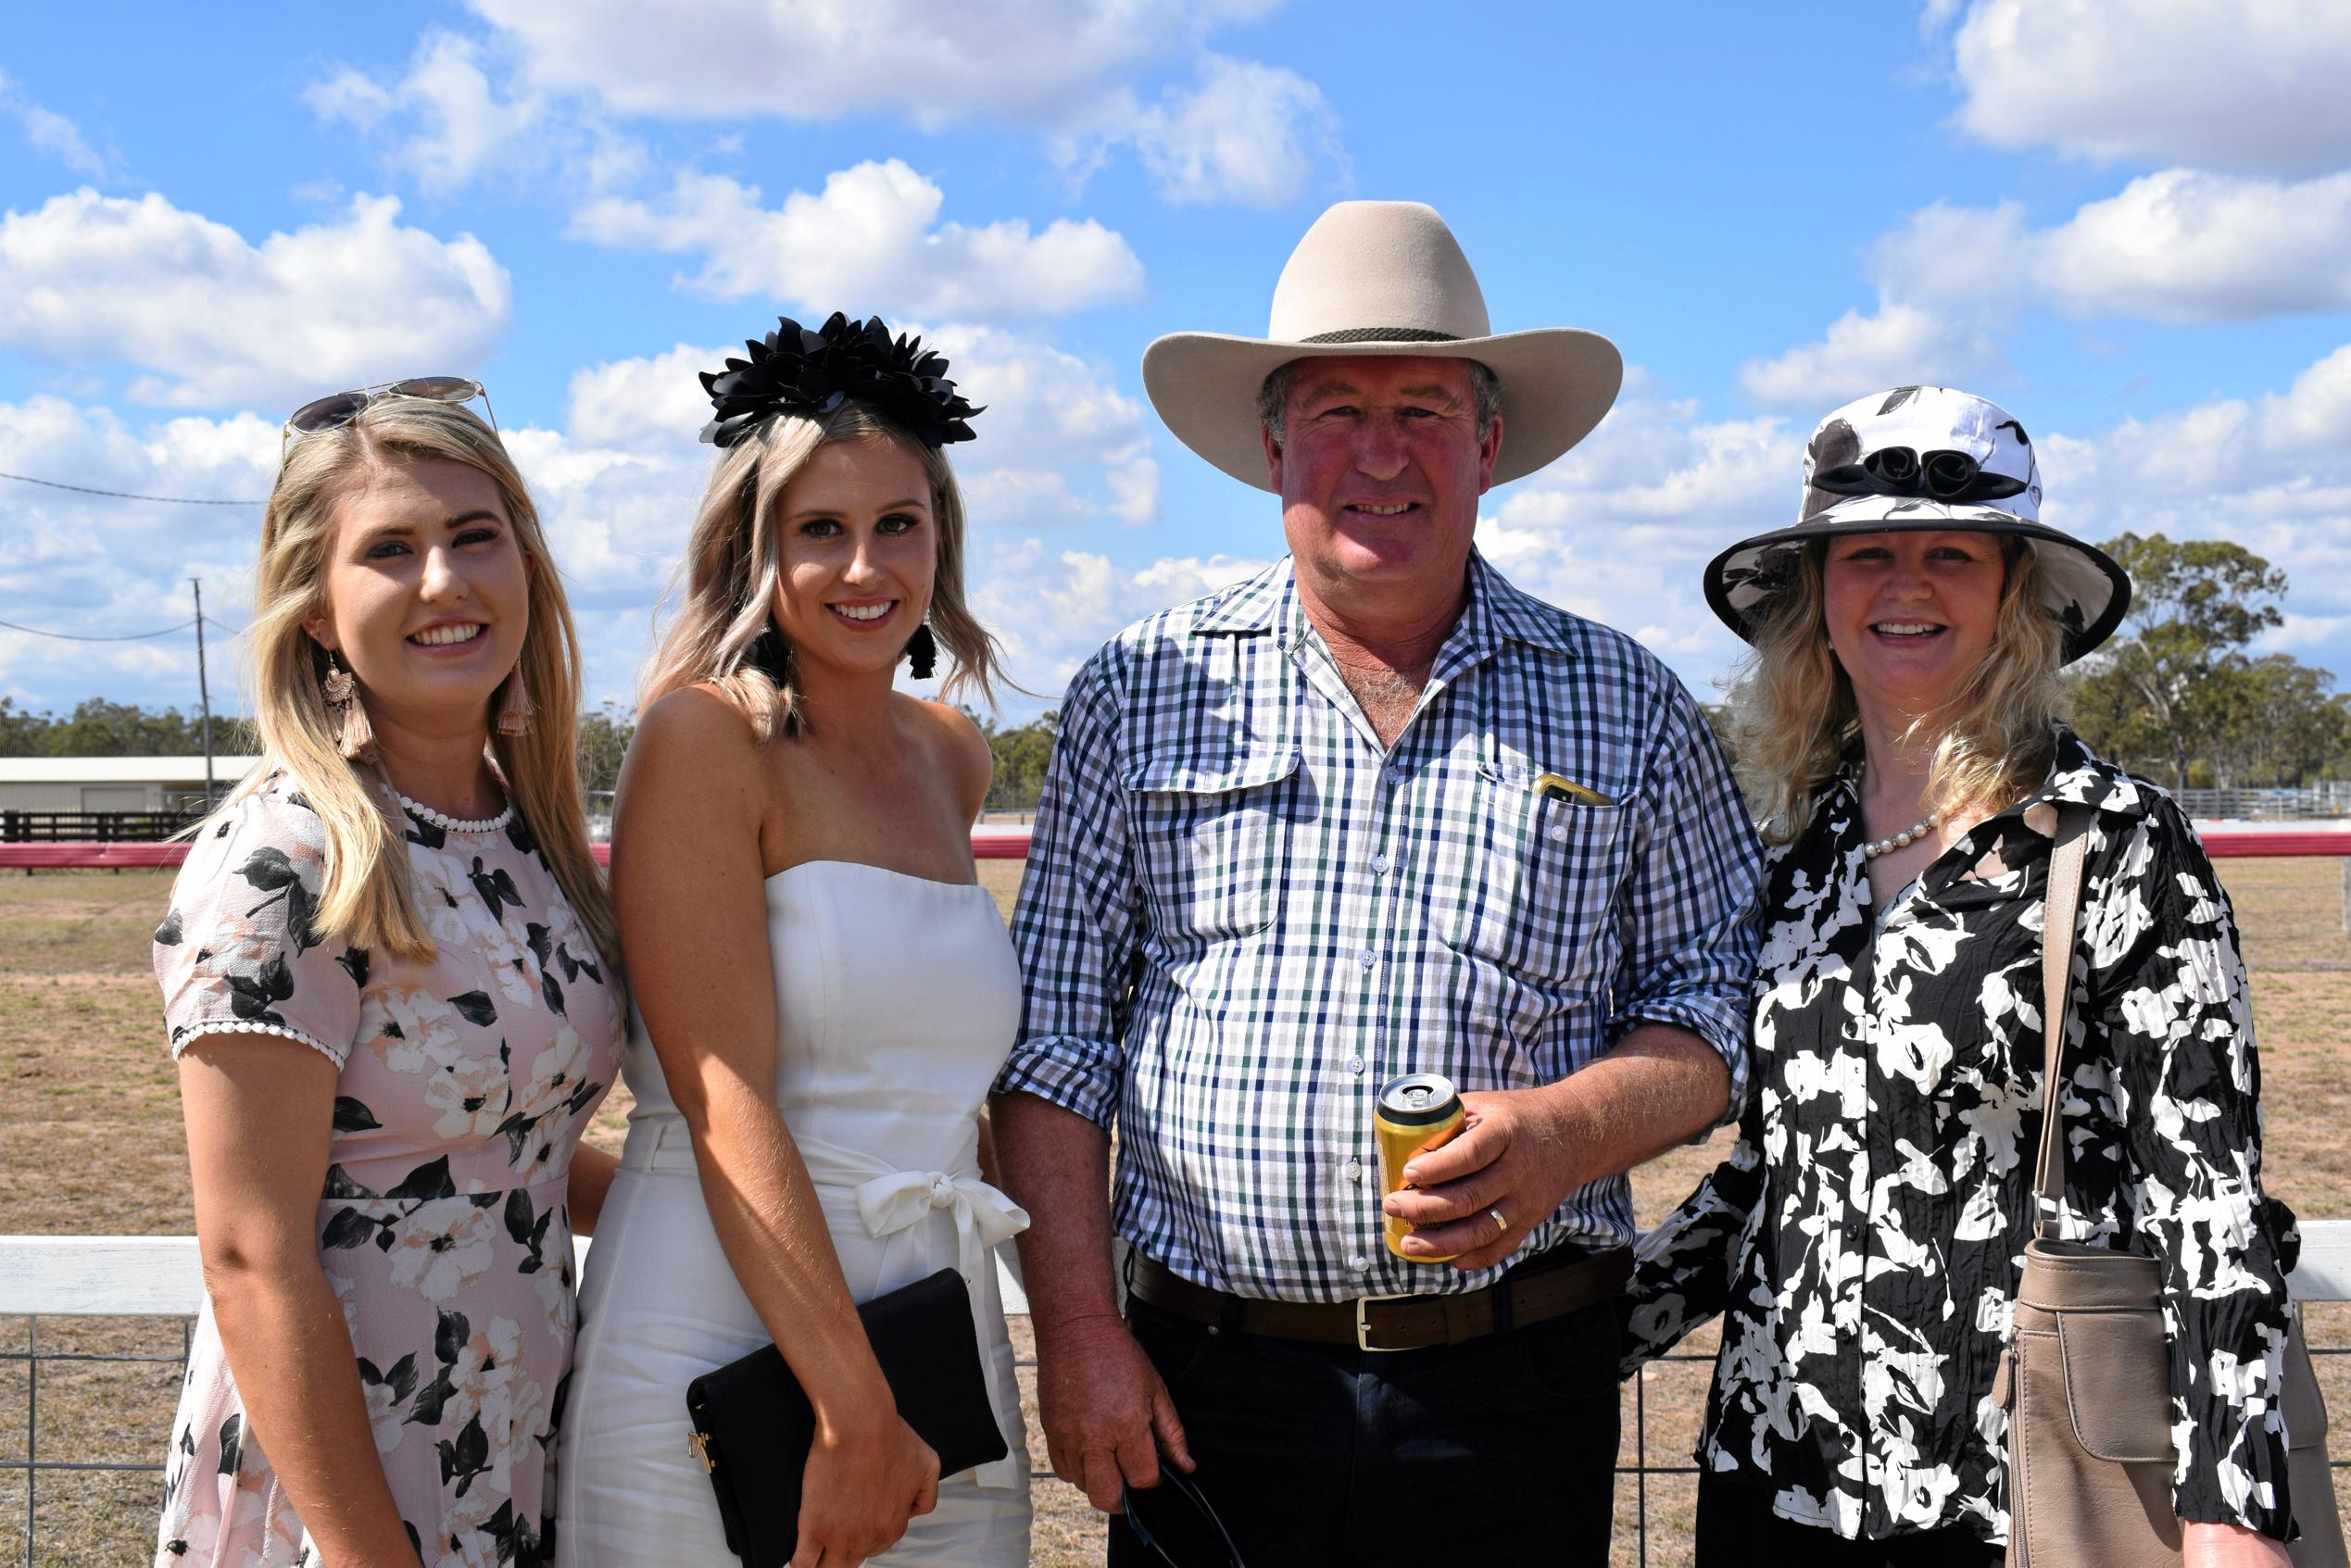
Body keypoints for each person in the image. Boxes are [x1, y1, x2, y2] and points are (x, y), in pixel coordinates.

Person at [990, 199, 1766, 1563]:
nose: (1381, 452)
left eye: (1422, 406)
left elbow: (1715, 1008)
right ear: (1270, 443)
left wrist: (1562, 1133)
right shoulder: (1137, 691)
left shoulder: (1625, 700)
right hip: (1202, 1381)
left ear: (1490, 440)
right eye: (1337, 408)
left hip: (1513, 1384)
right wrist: (1076, 1331)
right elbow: (1055, 1050)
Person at [1621, 386, 2299, 1567]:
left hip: (2024, 1493)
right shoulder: (1800, 856)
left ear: (2014, 594)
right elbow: (1768, 1182)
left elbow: (2212, 1207)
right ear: (1816, 598)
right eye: (1867, 553)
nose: (1906, 584)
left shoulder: (2115, 844)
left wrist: (2230, 1511)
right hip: (1779, 1485)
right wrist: (1538, 1343)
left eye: (1951, 554)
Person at [556, 314, 1031, 1568]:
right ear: (753, 548)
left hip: (941, 1345)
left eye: (898, 523)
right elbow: (724, 1098)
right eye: (819, 528)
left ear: (942, 538)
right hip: (724, 1354)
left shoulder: (951, 756)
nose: (863, 565)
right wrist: (851, 1408)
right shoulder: (705, 740)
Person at [153, 382, 624, 1568]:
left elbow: (505, 1149)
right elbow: (253, 1256)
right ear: (316, 610)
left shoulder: (527, 840)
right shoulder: (285, 857)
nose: (443, 583)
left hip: (514, 1424)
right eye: (389, 551)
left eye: (475, 536)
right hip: (353, 1474)